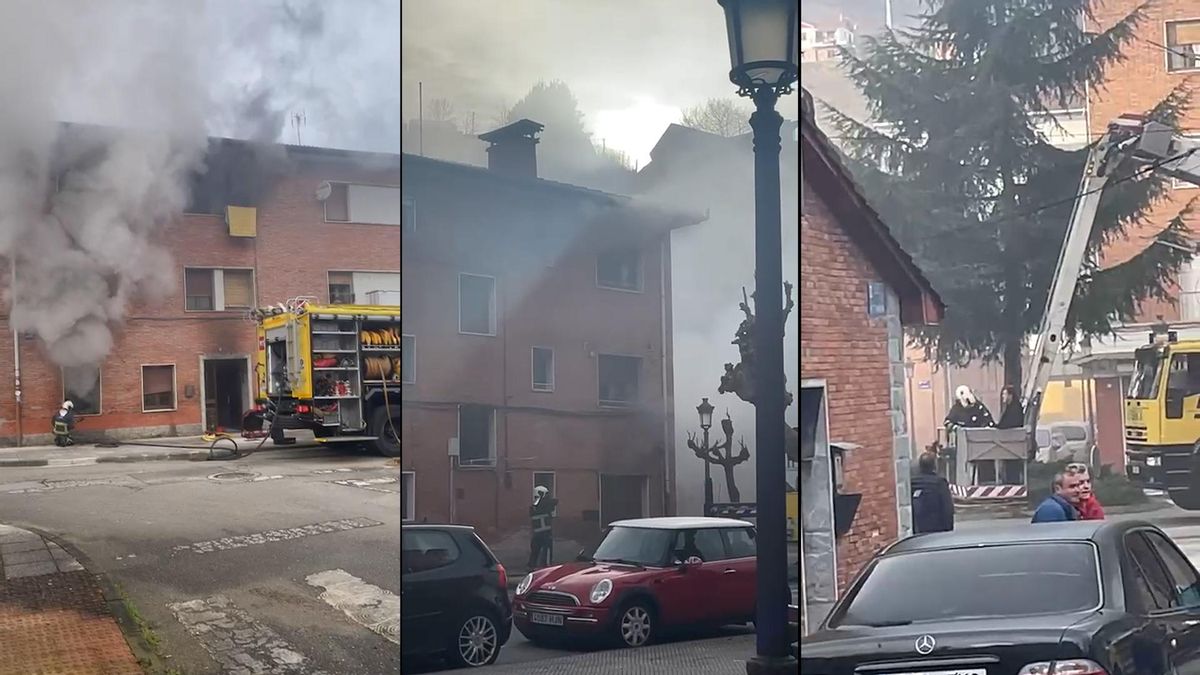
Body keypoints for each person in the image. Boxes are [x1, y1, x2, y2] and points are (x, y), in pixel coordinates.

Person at [911, 451, 955, 534]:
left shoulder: (913, 483)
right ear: (934, 466)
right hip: (937, 530)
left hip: (918, 530)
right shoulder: (940, 483)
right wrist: (949, 530)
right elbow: (947, 508)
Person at [527, 485, 558, 569]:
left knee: (535, 551)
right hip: (545, 533)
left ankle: (531, 566)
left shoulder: (534, 506)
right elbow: (555, 502)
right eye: (546, 494)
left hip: (537, 533)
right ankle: (546, 567)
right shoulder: (544, 504)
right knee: (546, 551)